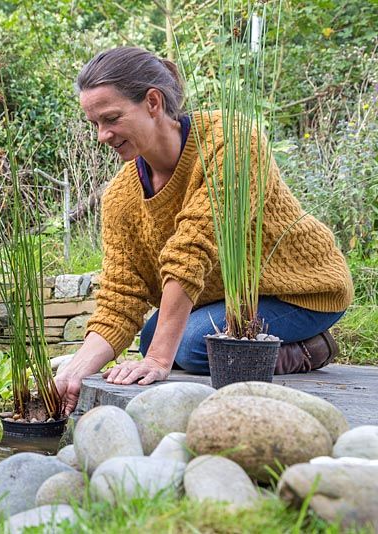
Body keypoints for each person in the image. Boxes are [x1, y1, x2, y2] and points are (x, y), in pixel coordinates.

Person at [55, 47, 354, 415]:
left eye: (111, 118)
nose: (102, 135)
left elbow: (192, 249)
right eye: (95, 124)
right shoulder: (120, 196)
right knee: (153, 339)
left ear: (152, 101)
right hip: (223, 300)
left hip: (298, 291)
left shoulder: (232, 141)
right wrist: (76, 370)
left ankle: (312, 348)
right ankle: (233, 346)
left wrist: (159, 361)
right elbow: (121, 295)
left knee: (190, 344)